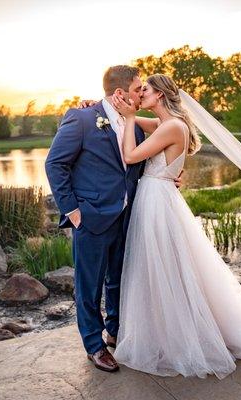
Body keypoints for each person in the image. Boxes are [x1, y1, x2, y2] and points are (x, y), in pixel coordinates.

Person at [108, 74, 241, 379]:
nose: (141, 94)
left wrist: (129, 118)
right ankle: (169, 330)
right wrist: (119, 110)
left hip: (157, 201)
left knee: (165, 266)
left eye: (146, 91)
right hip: (157, 197)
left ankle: (180, 337)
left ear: (161, 95)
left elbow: (130, 156)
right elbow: (136, 120)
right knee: (164, 266)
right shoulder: (165, 124)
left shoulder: (172, 127)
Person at [45, 66, 182, 373]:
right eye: (137, 90)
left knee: (120, 280)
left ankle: (115, 331)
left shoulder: (135, 125)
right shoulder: (82, 119)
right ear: (120, 93)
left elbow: (143, 160)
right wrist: (73, 211)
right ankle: (94, 345)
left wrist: (172, 174)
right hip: (91, 219)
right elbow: (55, 165)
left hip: (129, 217)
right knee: (89, 286)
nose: (141, 94)